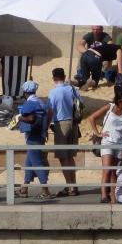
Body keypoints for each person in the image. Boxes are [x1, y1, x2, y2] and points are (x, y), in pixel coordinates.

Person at [89, 92, 122, 203]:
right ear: (116, 101)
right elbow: (92, 118)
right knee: (107, 169)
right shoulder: (110, 106)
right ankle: (104, 195)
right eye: (121, 101)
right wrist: (98, 133)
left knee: (114, 171)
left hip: (120, 143)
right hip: (107, 142)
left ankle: (113, 196)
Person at [15, 80, 52, 199]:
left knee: (37, 163)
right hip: (40, 135)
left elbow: (31, 119)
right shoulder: (40, 102)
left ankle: (45, 191)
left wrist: (20, 118)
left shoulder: (30, 104)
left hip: (33, 137)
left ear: (25, 92)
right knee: (29, 163)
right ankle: (24, 189)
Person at [48, 69, 82, 198]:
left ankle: (70, 187)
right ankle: (73, 184)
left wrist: (46, 127)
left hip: (61, 124)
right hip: (74, 124)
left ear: (54, 78)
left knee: (63, 157)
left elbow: (50, 111)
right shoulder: (72, 89)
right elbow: (81, 105)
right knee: (70, 156)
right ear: (64, 76)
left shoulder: (53, 92)